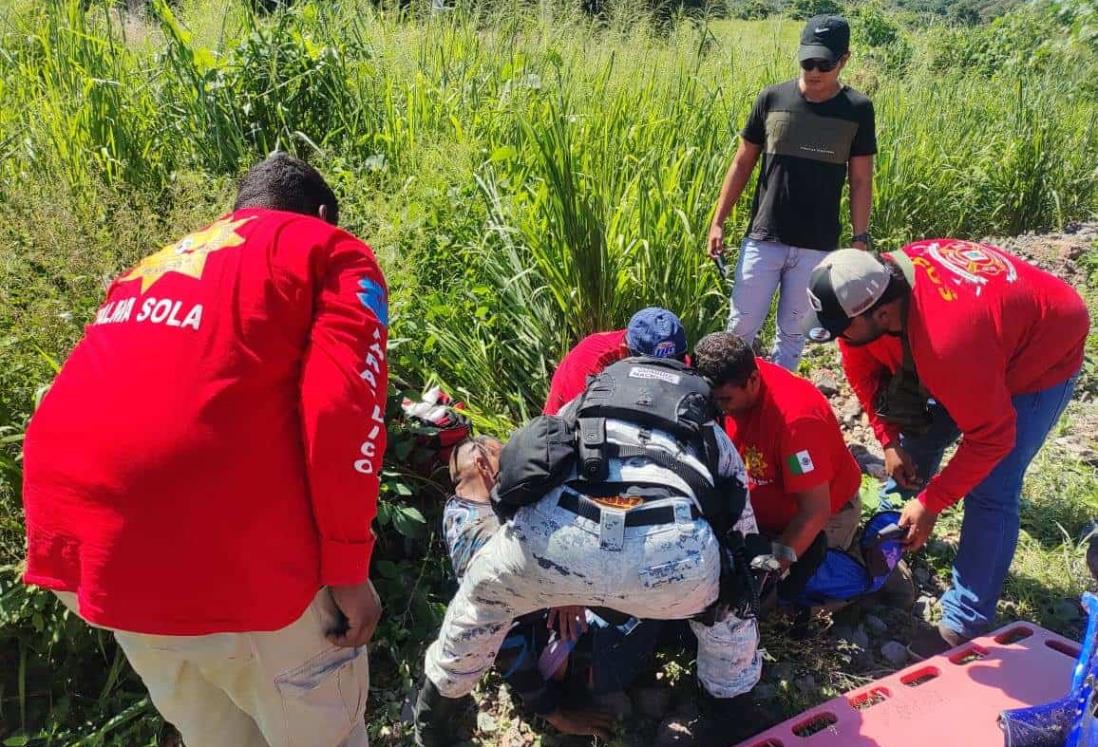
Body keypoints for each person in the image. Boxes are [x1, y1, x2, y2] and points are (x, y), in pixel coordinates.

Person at [21, 153, 388, 747]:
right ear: (323, 216)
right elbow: (343, 408)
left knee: (216, 734)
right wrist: (348, 567)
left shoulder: (160, 261)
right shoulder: (328, 249)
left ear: (237, 211)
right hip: (226, 554)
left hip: (88, 550)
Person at [415, 357, 765, 746]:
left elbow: (527, 470)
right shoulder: (712, 435)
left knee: (476, 607)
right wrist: (733, 591)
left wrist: (561, 581)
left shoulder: (579, 407)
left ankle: (432, 721)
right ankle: (729, 715)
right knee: (729, 618)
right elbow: (741, 530)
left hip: (561, 541)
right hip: (672, 553)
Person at [806, 239, 1089, 657]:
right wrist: (889, 443)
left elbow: (993, 436)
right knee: (920, 439)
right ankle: (891, 536)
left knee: (992, 490)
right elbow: (862, 369)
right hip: (982, 342)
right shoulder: (872, 291)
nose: (839, 339)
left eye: (844, 329)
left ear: (882, 313)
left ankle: (965, 621)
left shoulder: (948, 343)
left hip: (1042, 351)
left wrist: (933, 501)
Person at [441, 436, 661, 739]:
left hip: (551, 632)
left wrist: (559, 587)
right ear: (481, 463)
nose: (511, 468)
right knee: (656, 601)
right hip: (571, 656)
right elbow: (504, 639)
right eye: (503, 458)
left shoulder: (459, 509)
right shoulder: (487, 541)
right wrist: (555, 714)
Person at [707, 14, 875, 371]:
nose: (813, 71)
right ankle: (731, 406)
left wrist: (859, 240)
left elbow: (861, 180)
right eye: (807, 61)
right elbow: (741, 163)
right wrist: (718, 221)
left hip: (817, 245)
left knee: (793, 335)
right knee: (740, 330)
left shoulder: (858, 110)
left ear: (844, 59)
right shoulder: (772, 98)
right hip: (764, 238)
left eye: (824, 64)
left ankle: (778, 409)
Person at [693, 331, 863, 602]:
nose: (718, 409)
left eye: (725, 400)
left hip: (824, 517)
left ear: (753, 379)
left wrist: (767, 573)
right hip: (761, 512)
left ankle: (865, 563)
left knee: (770, 602)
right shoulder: (733, 388)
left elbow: (815, 512)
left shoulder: (794, 423)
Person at [543, 306, 688, 415]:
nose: (662, 372)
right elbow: (579, 422)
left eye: (671, 364)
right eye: (652, 366)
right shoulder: (590, 360)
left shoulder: (677, 356)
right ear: (625, 350)